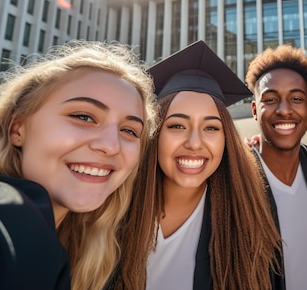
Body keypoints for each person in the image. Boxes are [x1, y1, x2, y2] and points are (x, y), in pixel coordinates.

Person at [0, 41, 158, 290]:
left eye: (129, 130)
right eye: (83, 116)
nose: (111, 145)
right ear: (18, 128)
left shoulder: (82, 246)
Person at [109, 40, 281, 290]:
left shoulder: (245, 220)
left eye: (211, 128)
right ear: (154, 132)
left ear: (226, 140)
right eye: (177, 125)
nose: (194, 143)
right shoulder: (110, 213)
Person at [244, 44, 307, 290]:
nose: (285, 110)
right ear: (255, 110)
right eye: (270, 99)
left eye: (297, 98)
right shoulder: (237, 179)